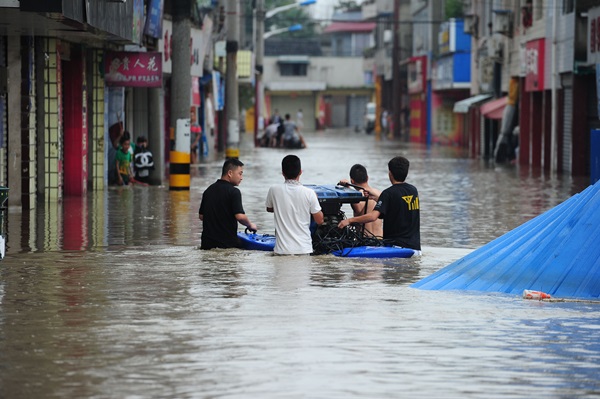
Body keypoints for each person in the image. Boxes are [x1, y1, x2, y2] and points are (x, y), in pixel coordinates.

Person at [338, 156, 420, 251]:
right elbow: (395, 206)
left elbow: (371, 215)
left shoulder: (387, 194)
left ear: (390, 173)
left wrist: (349, 220)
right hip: (414, 247)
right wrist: (376, 198)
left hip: (392, 247)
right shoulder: (413, 190)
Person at [266, 155, 324, 255]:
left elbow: (269, 208)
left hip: (281, 251)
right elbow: (319, 220)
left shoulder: (273, 189)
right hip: (303, 250)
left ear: (283, 173)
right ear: (300, 172)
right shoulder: (309, 193)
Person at [199, 158, 258, 250]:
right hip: (226, 245)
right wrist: (250, 225)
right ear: (230, 173)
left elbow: (202, 216)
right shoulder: (234, 192)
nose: (241, 178)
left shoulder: (208, 190)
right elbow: (240, 217)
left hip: (206, 244)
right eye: (240, 173)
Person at [338, 164, 383, 237]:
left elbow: (358, 209)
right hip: (380, 239)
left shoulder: (358, 195)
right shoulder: (379, 194)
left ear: (352, 181)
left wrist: (347, 188)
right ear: (367, 178)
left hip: (366, 241)